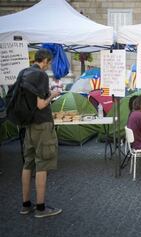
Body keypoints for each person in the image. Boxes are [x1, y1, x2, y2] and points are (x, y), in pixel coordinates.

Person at [20, 49, 62, 218]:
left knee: (28, 163)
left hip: (29, 124)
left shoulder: (25, 72)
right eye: (49, 62)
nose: (48, 66)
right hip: (42, 125)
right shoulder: (40, 75)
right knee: (43, 163)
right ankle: (41, 208)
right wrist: (53, 94)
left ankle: (25, 205)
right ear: (44, 60)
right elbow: (41, 105)